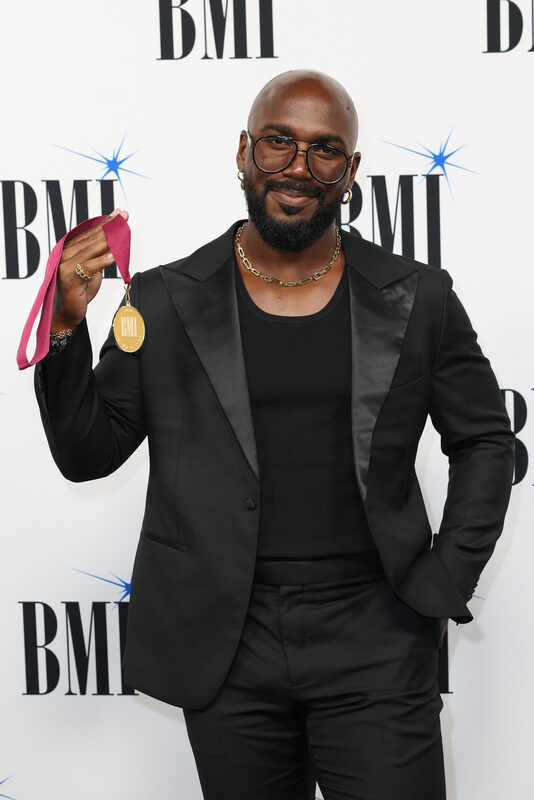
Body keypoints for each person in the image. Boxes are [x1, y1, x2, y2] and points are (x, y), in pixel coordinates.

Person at [34, 70, 514, 800]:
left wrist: (445, 577)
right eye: (278, 142)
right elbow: (86, 453)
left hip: (376, 636)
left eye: (325, 151)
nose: (298, 167)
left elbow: (485, 441)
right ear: (242, 153)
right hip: (227, 643)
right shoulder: (165, 300)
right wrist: (65, 328)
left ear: (351, 173)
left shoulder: (418, 299)